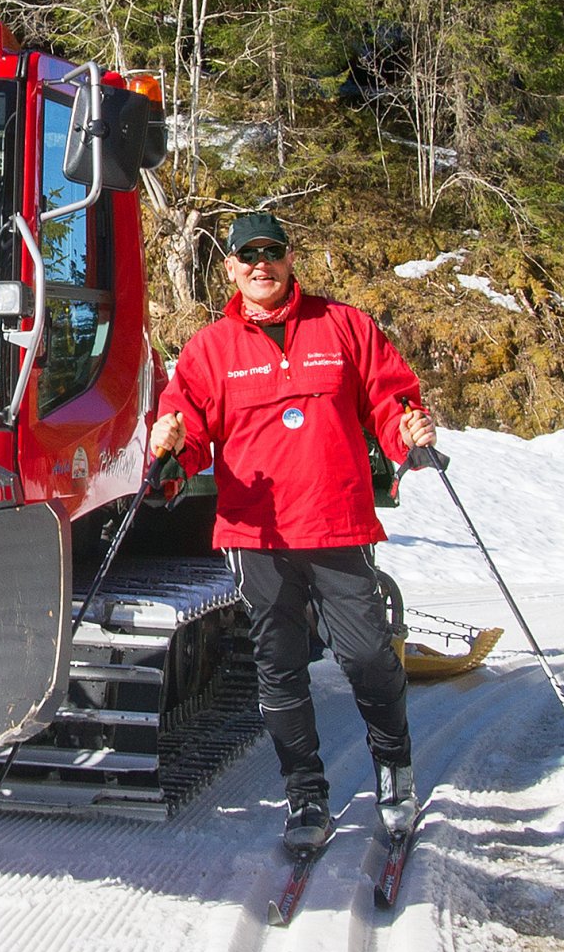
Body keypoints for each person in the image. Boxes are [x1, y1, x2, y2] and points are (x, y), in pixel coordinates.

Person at [149, 211, 437, 854]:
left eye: (271, 252)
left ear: (288, 259)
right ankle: (305, 791)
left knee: (365, 656)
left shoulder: (344, 326)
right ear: (228, 268)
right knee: (279, 670)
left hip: (336, 523)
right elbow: (187, 426)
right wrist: (169, 443)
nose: (260, 264)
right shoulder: (210, 349)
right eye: (246, 255)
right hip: (257, 537)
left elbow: (389, 399)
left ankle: (394, 773)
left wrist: (408, 431)